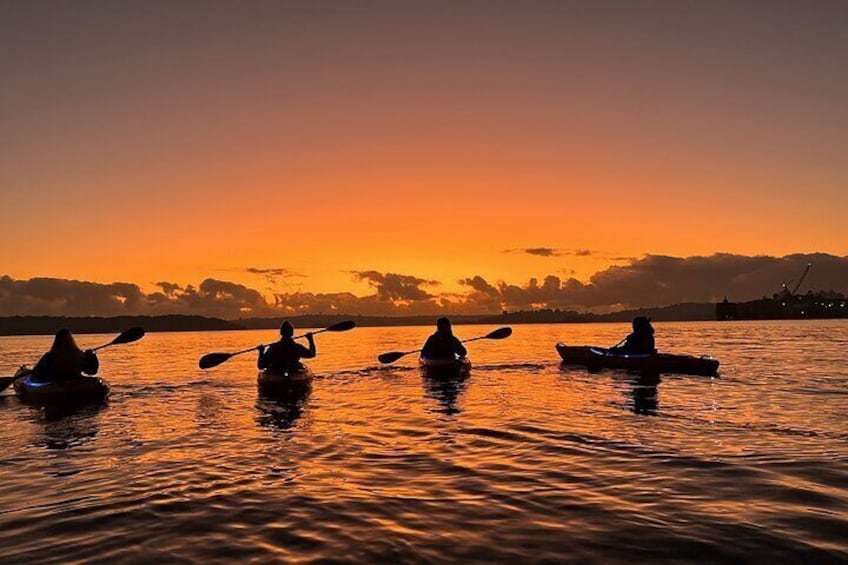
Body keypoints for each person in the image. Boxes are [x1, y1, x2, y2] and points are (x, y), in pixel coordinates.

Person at [31, 329, 99, 380]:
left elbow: (37, 373)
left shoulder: (49, 356)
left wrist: (91, 356)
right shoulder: (80, 356)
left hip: (57, 384)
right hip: (74, 382)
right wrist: (91, 356)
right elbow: (91, 371)